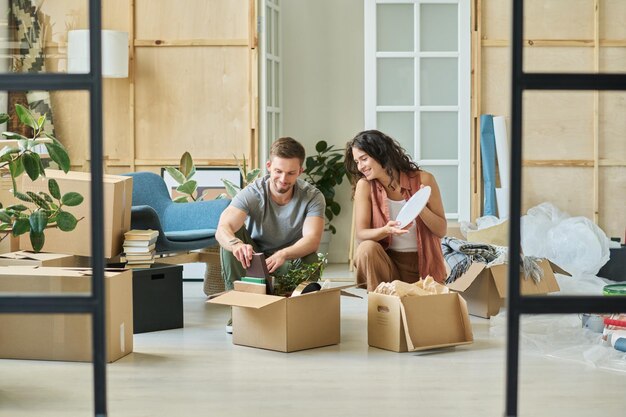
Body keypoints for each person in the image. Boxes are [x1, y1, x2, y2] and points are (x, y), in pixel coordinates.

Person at [216, 137, 326, 332]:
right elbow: (223, 228)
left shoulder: (313, 196)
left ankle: (298, 312)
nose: (283, 179)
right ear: (269, 166)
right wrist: (236, 245)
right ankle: (239, 312)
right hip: (254, 260)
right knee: (231, 240)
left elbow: (312, 240)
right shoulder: (252, 193)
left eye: (291, 173)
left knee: (310, 255)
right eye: (278, 171)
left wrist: (283, 254)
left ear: (301, 171)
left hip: (288, 261)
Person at [344, 130, 447, 291]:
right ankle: (379, 306)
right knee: (366, 248)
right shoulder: (364, 186)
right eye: (357, 162)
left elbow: (441, 230)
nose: (360, 166)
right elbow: (361, 234)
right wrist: (386, 230)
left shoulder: (424, 179)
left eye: (364, 159)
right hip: (387, 264)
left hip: (422, 265)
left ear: (381, 153)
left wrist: (419, 207)